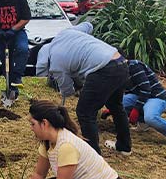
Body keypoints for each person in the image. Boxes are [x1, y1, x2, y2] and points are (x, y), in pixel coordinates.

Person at [35, 22, 132, 156]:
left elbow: (67, 90)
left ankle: (93, 155)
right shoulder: (65, 33)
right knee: (116, 106)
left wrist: (70, 91)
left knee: (85, 112)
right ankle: (124, 146)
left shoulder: (55, 63)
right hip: (120, 62)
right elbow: (88, 25)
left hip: (103, 69)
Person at [123, 59, 166, 153]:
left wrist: (136, 109)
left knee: (150, 117)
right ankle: (143, 123)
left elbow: (146, 89)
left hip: (156, 97)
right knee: (119, 103)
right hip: (140, 96)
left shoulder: (134, 66)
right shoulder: (118, 71)